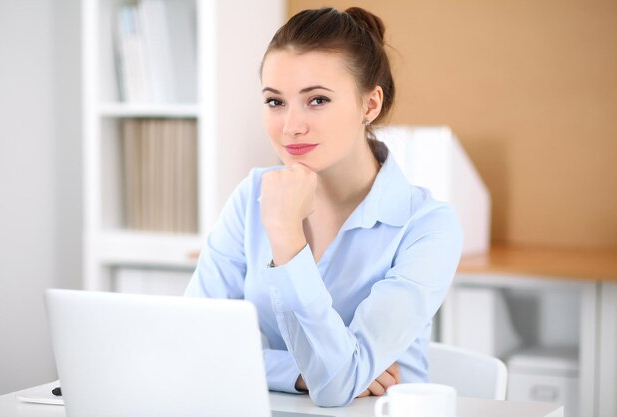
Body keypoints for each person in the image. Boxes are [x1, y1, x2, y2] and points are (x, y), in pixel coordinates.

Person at [185, 6, 463, 407]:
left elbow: (335, 387)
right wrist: (301, 374)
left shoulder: (427, 226)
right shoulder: (251, 195)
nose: (290, 126)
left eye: (316, 100)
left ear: (370, 105)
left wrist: (285, 235)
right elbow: (192, 343)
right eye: (275, 102)